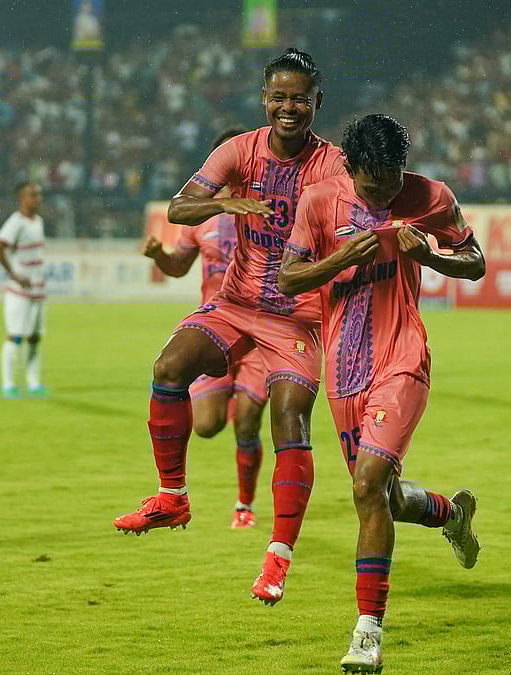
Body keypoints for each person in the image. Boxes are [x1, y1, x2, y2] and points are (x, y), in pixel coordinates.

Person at [112, 49, 346, 607]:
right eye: (278, 97)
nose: (288, 108)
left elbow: (358, 220)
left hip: (297, 316)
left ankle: (277, 558)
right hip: (236, 303)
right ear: (264, 98)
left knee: (288, 422)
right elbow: (178, 208)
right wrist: (227, 202)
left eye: (299, 99)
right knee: (169, 367)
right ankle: (173, 497)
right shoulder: (239, 151)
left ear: (317, 102)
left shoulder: (333, 165)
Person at [279, 114, 485, 672]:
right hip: (344, 371)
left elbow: (476, 262)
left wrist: (430, 258)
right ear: (350, 169)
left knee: (367, 485)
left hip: (402, 359)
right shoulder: (319, 202)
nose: (385, 195)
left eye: (393, 181)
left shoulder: (431, 196)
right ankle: (450, 515)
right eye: (373, 186)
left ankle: (367, 633)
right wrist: (341, 259)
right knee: (384, 500)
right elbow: (288, 279)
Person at [141, 127, 268, 529]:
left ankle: (244, 506)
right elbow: (180, 266)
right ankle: (232, 394)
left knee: (247, 421)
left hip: (260, 333)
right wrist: (159, 256)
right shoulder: (201, 218)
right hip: (216, 328)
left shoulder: (269, 208)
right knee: (209, 425)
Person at [0, 182, 48, 399]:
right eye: (33, 195)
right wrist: (14, 274)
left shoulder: (38, 221)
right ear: (22, 198)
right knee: (15, 337)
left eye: (39, 195)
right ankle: (8, 385)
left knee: (34, 338)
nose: (38, 199)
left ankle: (33, 384)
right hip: (19, 292)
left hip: (38, 290)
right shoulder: (16, 222)